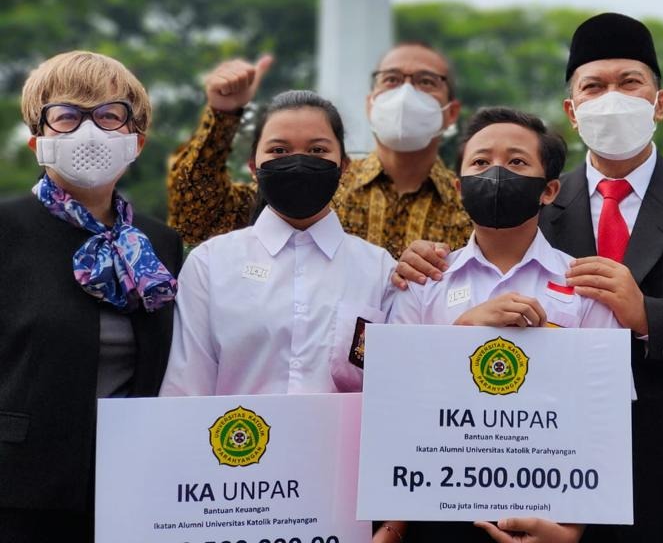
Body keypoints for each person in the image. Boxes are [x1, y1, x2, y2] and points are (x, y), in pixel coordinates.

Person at [395, 13, 663, 543]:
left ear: (659, 102)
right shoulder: (528, 201)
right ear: (572, 112)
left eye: (630, 83)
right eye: (594, 87)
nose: (612, 98)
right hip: (545, 475)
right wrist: (410, 263)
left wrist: (650, 316)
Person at [392, 107, 618, 543]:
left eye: (516, 162)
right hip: (437, 514)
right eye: (479, 162)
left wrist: (569, 529)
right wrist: (464, 332)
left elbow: (604, 414)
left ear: (549, 189)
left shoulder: (585, 285)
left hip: (551, 512)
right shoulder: (421, 283)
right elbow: (396, 399)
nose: (495, 173)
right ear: (459, 186)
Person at [0, 51, 183, 542]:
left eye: (108, 115)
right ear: (37, 140)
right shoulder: (6, 229)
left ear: (136, 140)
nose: (89, 130)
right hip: (19, 489)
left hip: (134, 484)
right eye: (66, 115)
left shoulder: (160, 244)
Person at [160, 90, 396, 397]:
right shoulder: (210, 264)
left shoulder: (379, 270)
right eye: (279, 150)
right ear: (253, 167)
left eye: (317, 150)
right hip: (234, 444)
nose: (298, 162)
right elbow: (186, 388)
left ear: (344, 166)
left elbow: (394, 387)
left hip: (342, 445)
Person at [166, 42, 472, 257]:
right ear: (371, 102)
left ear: (452, 112)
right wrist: (223, 115)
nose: (406, 93)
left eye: (426, 81)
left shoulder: (471, 209)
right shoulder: (319, 182)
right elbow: (195, 217)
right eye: (391, 80)